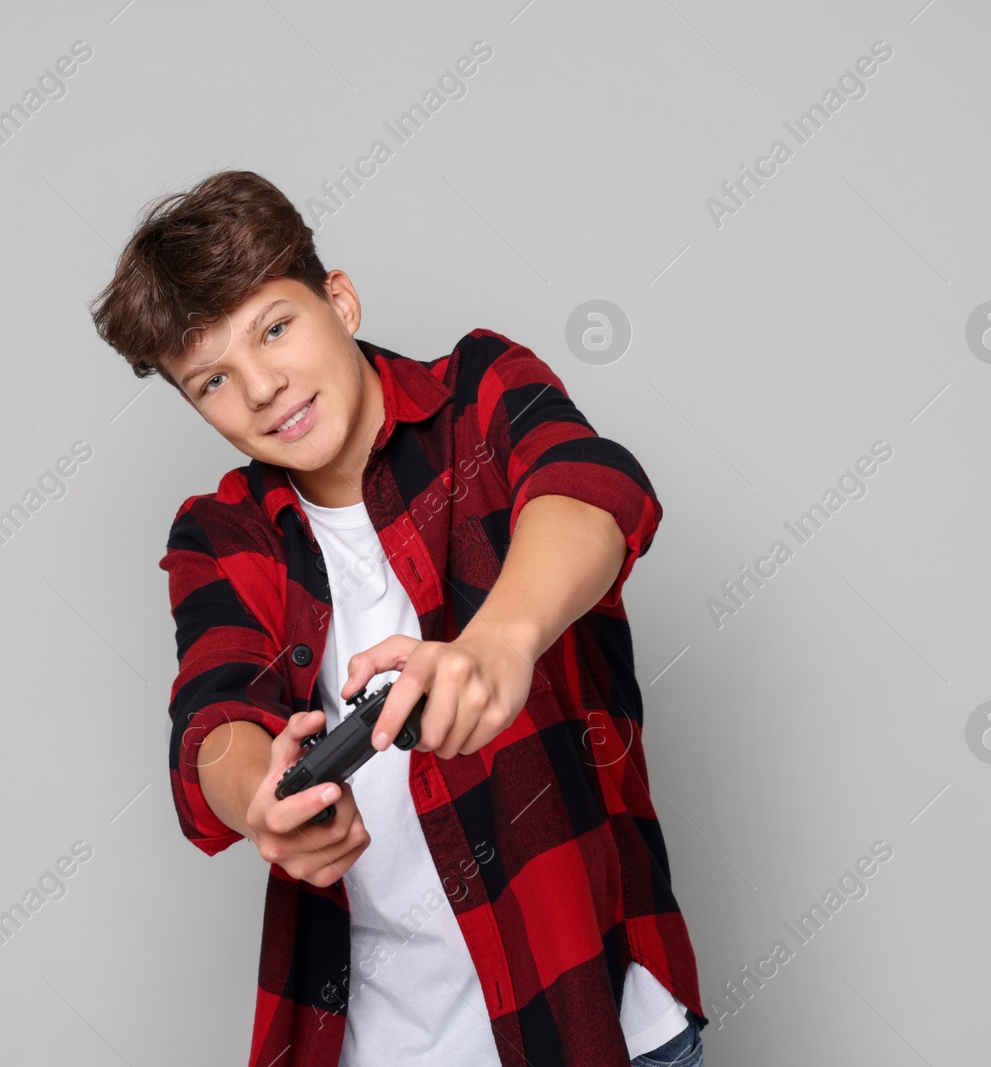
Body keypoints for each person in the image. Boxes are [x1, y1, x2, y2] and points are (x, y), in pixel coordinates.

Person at [91, 170, 706, 1067]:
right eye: (214, 379)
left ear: (338, 299)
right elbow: (213, 717)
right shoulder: (220, 532)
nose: (261, 388)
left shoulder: (480, 391)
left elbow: (592, 492)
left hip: (596, 1023)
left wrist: (499, 640)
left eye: (275, 327)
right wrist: (261, 796)